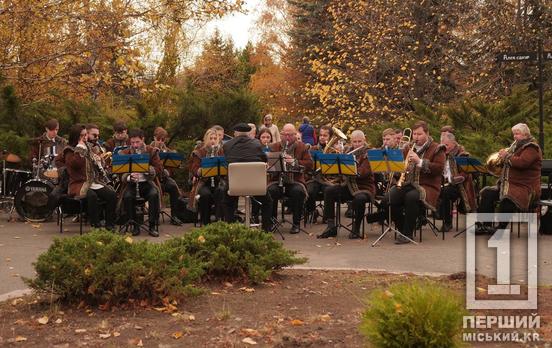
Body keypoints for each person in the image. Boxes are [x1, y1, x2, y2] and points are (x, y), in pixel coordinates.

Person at [384, 121, 446, 244]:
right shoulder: (407, 147)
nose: (416, 137)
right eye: (414, 134)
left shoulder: (437, 148)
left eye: (419, 134)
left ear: (427, 134)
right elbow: (401, 166)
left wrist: (420, 162)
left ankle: (408, 234)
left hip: (427, 186)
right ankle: (403, 229)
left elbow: (439, 169)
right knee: (388, 198)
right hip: (408, 184)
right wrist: (393, 168)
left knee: (411, 197)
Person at [476, 123, 542, 234]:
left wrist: (506, 156)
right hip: (510, 184)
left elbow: (522, 163)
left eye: (517, 134)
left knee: (508, 198)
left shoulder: (532, 147)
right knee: (487, 193)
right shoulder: (517, 147)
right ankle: (484, 225)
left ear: (526, 134)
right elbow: (510, 163)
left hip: (526, 187)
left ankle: (500, 228)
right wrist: (502, 160)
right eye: (514, 134)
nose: (515, 136)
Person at [317, 130, 375, 239]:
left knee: (360, 199)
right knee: (329, 191)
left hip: (364, 187)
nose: (357, 144)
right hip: (348, 185)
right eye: (354, 142)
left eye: (359, 141)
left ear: (364, 140)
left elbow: (363, 173)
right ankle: (331, 226)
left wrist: (349, 168)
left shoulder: (369, 153)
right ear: (351, 142)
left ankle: (356, 228)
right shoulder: (348, 150)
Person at [60, 124, 117, 230]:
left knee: (112, 195)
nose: (85, 137)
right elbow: (75, 164)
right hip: (78, 183)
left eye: (86, 135)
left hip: (92, 182)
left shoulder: (89, 147)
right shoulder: (69, 150)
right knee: (92, 196)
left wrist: (98, 161)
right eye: (82, 135)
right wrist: (80, 148)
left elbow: (93, 168)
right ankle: (96, 226)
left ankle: (110, 225)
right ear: (76, 136)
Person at [222, 123, 273, 232]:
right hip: (255, 186)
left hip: (235, 186)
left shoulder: (227, 145)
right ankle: (266, 230)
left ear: (235, 133)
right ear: (248, 133)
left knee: (227, 201)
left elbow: (226, 161)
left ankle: (230, 229)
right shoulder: (256, 144)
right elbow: (264, 160)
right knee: (268, 202)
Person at [267, 123, 313, 233]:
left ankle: (296, 223)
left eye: (291, 135)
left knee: (298, 192)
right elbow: (269, 162)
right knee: (270, 191)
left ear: (295, 134)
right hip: (277, 180)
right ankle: (272, 221)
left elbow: (310, 164)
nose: (287, 137)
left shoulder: (302, 147)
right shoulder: (274, 146)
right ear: (281, 134)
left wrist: (294, 162)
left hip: (295, 180)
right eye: (285, 135)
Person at [120, 128, 163, 237]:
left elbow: (159, 168)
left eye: (137, 142)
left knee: (154, 194)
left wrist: (148, 170)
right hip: (132, 184)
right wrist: (129, 177)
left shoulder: (151, 151)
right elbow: (119, 171)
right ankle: (134, 225)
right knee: (128, 196)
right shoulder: (125, 153)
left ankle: (152, 225)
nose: (135, 145)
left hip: (147, 183)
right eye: (133, 142)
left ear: (143, 139)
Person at [438, 132, 476, 232]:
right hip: (443, 184)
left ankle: (447, 223)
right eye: (443, 145)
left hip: (460, 186)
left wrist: (452, 180)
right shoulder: (440, 154)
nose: (444, 147)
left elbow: (465, 174)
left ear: (454, 143)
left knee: (445, 192)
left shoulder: (462, 154)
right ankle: (422, 220)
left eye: (447, 145)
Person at [189, 128, 225, 226]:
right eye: (211, 138)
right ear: (206, 139)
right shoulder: (199, 152)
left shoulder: (221, 151)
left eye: (215, 138)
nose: (213, 141)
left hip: (217, 181)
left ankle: (219, 221)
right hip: (204, 182)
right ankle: (206, 222)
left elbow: (225, 168)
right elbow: (194, 170)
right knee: (205, 194)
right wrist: (200, 171)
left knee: (221, 191)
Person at [150, 126, 182, 224]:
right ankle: (155, 217)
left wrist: (168, 171)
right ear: (154, 138)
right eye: (158, 139)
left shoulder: (167, 151)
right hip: (153, 179)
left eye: (163, 140)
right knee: (154, 191)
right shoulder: (149, 149)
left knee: (173, 187)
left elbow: (172, 167)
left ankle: (174, 216)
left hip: (164, 178)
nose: (160, 141)